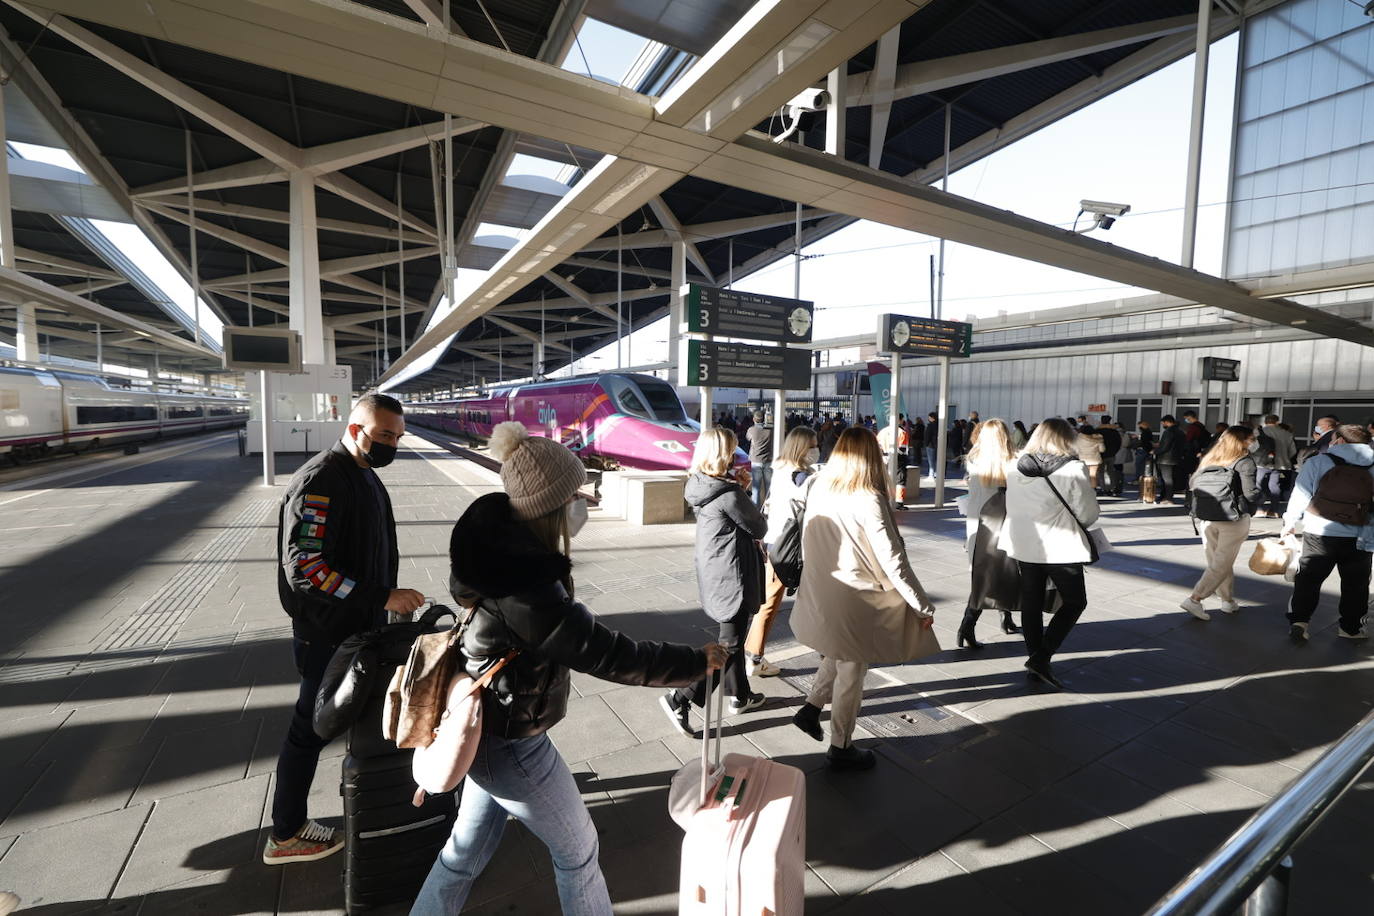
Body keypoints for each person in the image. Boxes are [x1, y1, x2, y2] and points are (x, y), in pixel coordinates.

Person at [413, 422, 725, 914]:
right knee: (578, 853)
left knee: (463, 855)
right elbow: (609, 653)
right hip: (513, 742)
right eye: (574, 494)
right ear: (549, 505)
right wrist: (693, 662)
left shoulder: (493, 555)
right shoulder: (529, 590)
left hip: (491, 729)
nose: (582, 502)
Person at [266, 393, 425, 865]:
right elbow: (307, 569)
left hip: (357, 630)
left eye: (397, 436)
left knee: (357, 722)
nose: (392, 444)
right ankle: (287, 832)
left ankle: (377, 801)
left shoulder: (363, 474)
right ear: (355, 429)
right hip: (327, 635)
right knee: (309, 730)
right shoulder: (322, 481)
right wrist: (381, 597)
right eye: (383, 435)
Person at [789, 427, 938, 770]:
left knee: (840, 653)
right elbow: (893, 559)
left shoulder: (820, 487)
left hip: (825, 588)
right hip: (856, 597)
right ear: (872, 456)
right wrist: (921, 604)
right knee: (852, 671)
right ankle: (840, 746)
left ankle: (811, 710)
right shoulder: (868, 497)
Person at [662, 428, 769, 732]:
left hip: (716, 568)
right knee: (730, 644)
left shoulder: (701, 484)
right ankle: (680, 698)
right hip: (733, 574)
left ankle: (741, 695)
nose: (737, 457)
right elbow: (759, 527)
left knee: (732, 638)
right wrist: (745, 492)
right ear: (723, 455)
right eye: (733, 451)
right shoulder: (729, 493)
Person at [999, 418, 1098, 690]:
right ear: (1066, 438)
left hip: (1024, 544)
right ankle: (1041, 658)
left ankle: (1035, 660)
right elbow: (1088, 514)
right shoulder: (1073, 468)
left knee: (1031, 602)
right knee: (1075, 602)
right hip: (1060, 547)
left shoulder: (1015, 466)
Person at [1281, 424, 1374, 643]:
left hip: (1319, 532)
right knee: (1356, 584)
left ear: (1340, 440)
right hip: (1362, 535)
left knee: (1308, 580)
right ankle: (1351, 629)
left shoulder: (1318, 461)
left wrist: (1290, 522)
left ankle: (1300, 622)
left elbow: (1301, 494)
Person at [747, 426, 820, 678]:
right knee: (771, 602)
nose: (816, 450)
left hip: (777, 543)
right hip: (789, 547)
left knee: (776, 601)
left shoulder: (781, 469)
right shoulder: (799, 476)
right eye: (813, 445)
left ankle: (755, 658)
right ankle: (754, 659)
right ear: (803, 447)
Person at [1180, 426, 1261, 621]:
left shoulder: (1209, 458)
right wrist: (1262, 496)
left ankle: (1227, 601)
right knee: (1221, 563)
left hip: (1206, 517)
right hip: (1233, 518)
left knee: (1217, 562)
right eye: (1252, 439)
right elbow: (1250, 493)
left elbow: (1192, 485)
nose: (1255, 442)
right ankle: (1195, 599)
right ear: (1243, 441)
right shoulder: (1245, 461)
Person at [958, 419, 1021, 649]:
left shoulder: (973, 459)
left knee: (986, 574)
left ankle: (1004, 618)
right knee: (1003, 571)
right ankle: (968, 624)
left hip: (977, 524)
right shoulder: (1014, 462)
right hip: (1003, 523)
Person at [1255, 414, 1297, 518]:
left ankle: (1259, 509)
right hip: (1280, 464)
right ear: (1277, 422)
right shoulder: (1286, 433)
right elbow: (1292, 451)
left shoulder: (1259, 432)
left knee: (1258, 484)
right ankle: (1274, 510)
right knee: (1274, 485)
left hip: (1261, 463)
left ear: (1265, 421)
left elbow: (1252, 447)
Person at [746, 409, 774, 508]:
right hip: (768, 461)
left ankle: (756, 511)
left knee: (756, 489)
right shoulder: (771, 430)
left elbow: (747, 438)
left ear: (754, 419)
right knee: (769, 488)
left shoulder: (751, 430)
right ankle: (768, 510)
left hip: (756, 461)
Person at [1155, 415, 1185, 504]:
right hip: (1176, 459)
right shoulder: (1181, 432)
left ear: (1167, 422)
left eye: (1162, 423)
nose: (1162, 425)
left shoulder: (1168, 432)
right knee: (1170, 478)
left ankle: (1168, 498)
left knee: (1167, 479)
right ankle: (1164, 496)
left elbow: (1165, 446)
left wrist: (1155, 451)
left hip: (1166, 459)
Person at [1097, 415, 1124, 497]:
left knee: (1101, 472)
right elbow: (1119, 443)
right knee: (1110, 472)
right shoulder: (1114, 431)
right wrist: (1114, 452)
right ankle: (1111, 488)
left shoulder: (1097, 431)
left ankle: (1103, 488)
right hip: (1111, 455)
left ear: (1101, 421)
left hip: (1100, 454)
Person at [1074, 423, 1105, 490]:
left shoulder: (1078, 438)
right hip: (1095, 460)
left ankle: (1085, 490)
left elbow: (1076, 450)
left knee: (1084, 476)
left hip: (1083, 460)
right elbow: (1102, 450)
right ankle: (1093, 491)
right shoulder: (1098, 439)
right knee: (1093, 476)